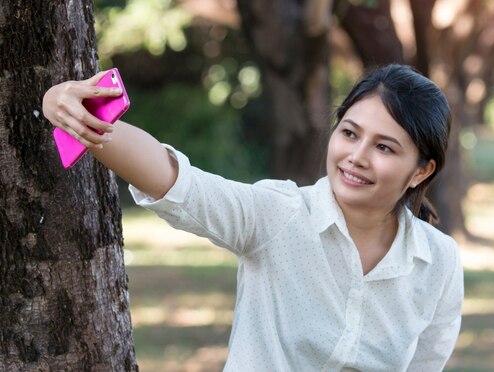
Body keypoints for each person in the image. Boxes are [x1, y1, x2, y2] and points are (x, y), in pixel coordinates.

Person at [42, 64, 463, 371]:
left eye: (384, 148)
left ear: (422, 170)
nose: (356, 156)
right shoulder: (278, 215)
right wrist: (71, 110)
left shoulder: (439, 263)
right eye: (350, 133)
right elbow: (176, 180)